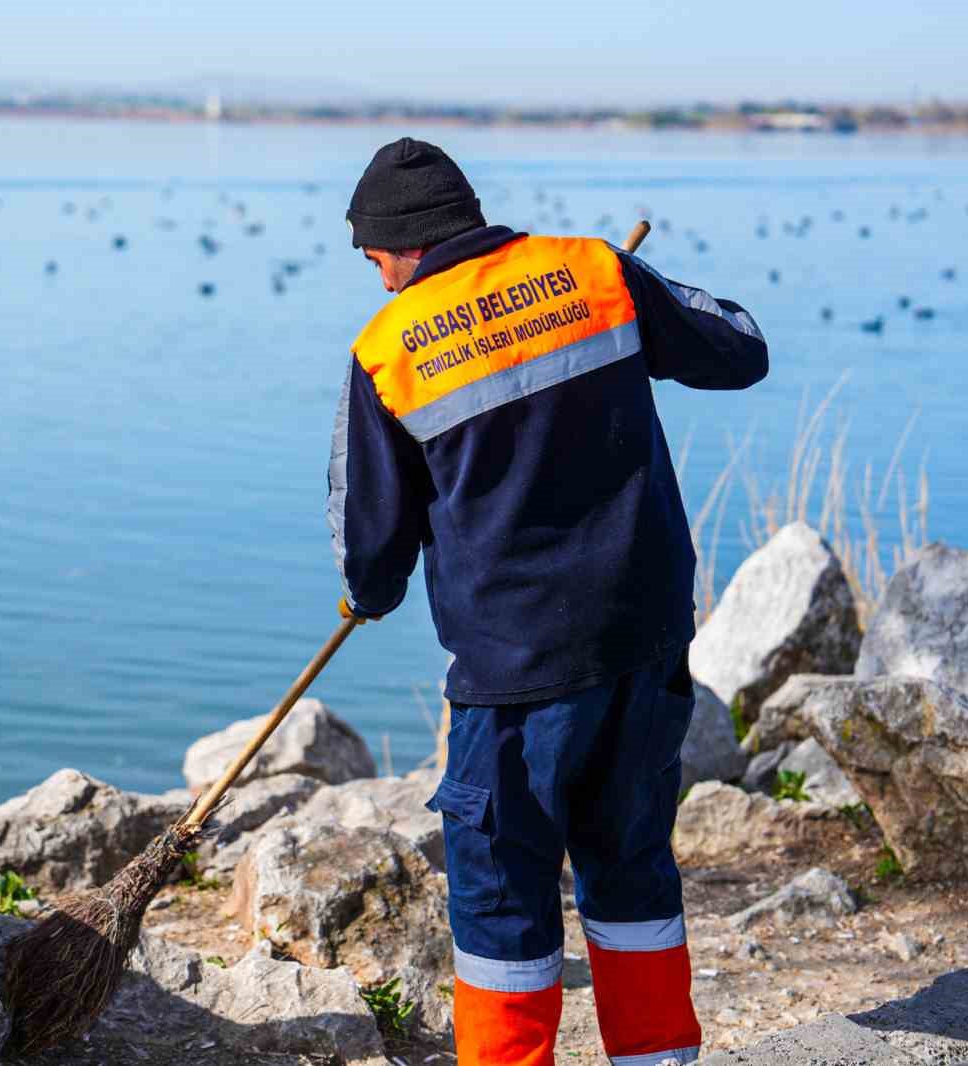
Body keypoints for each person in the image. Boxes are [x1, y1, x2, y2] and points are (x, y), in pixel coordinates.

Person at [328, 138, 767, 1066]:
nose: (377, 285)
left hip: (514, 677)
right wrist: (636, 296)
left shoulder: (388, 352)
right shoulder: (593, 271)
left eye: (372, 260)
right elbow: (741, 348)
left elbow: (370, 550)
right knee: (632, 866)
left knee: (501, 901)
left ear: (403, 245)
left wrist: (366, 597)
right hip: (645, 648)